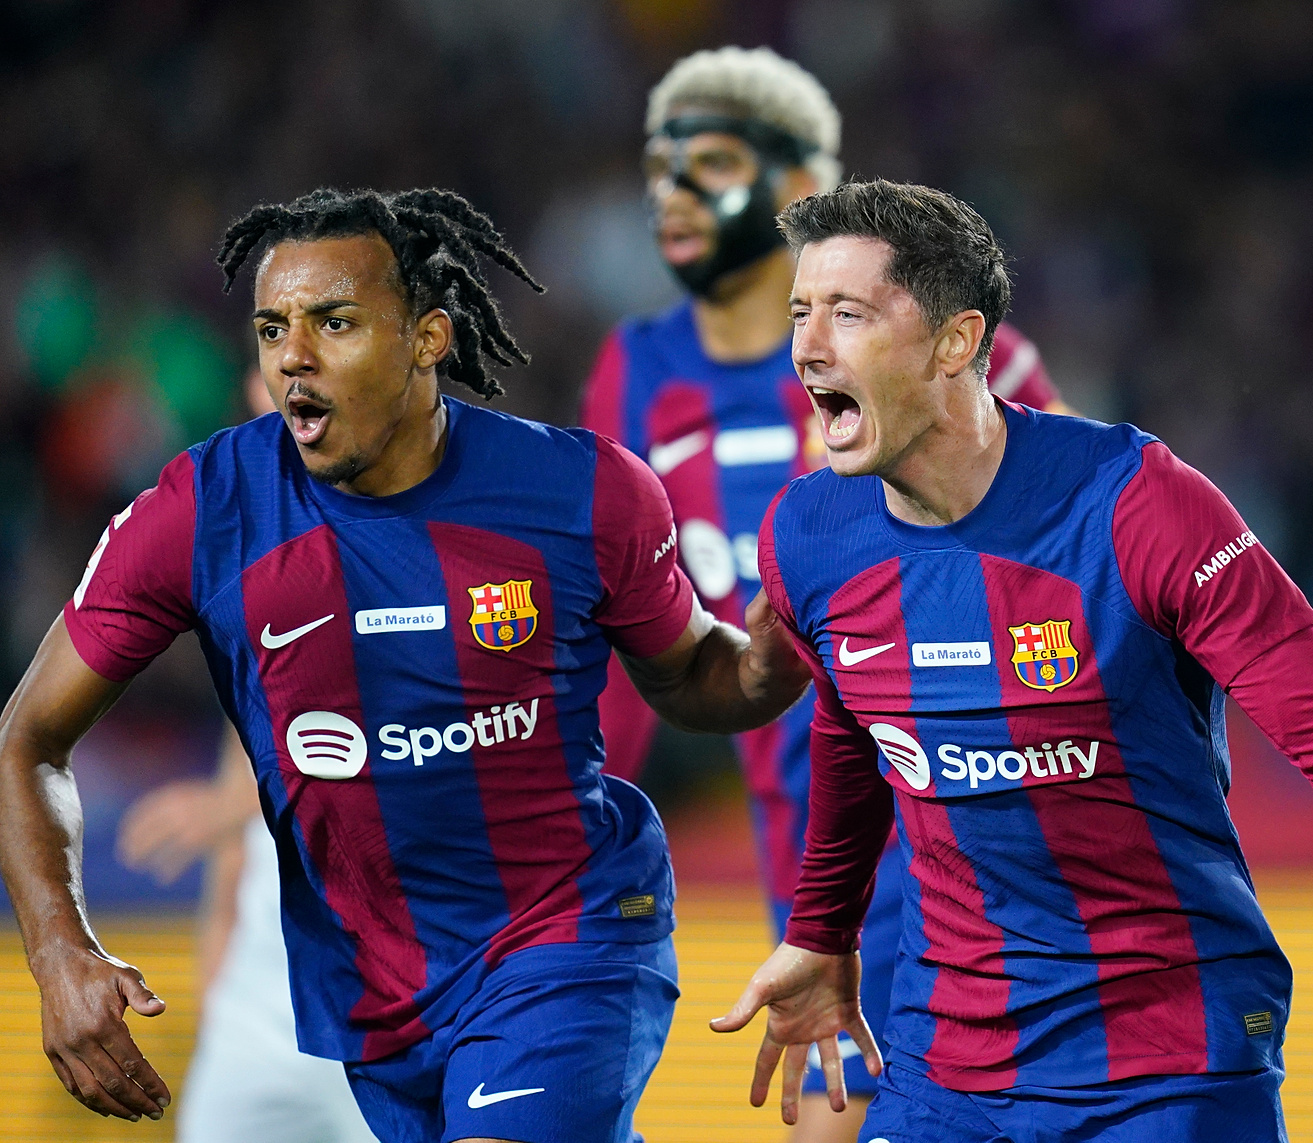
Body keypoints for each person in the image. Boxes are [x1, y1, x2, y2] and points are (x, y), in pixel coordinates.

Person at [712, 180, 1313, 1141]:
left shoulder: (1140, 505)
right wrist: (822, 933)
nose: (807, 347)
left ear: (956, 342)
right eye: (800, 313)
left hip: (1168, 1062)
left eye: (848, 313)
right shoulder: (807, 536)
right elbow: (849, 731)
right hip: (944, 1070)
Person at [0, 187, 808, 1143]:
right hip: (375, 994)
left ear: (429, 337)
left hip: (567, 940)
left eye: (334, 322)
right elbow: (28, 735)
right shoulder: (202, 512)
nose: (293, 355)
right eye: (272, 327)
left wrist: (784, 644)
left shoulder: (584, 492)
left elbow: (692, 676)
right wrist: (60, 955)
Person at [582, 48, 1067, 1140]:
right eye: (659, 167)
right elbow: (621, 614)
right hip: (814, 851)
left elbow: (1081, 562)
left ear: (800, 183)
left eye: (709, 163)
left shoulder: (943, 357)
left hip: (981, 833)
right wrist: (588, 799)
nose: (672, 193)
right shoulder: (638, 371)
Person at [120, 724, 379, 1143]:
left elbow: (404, 773)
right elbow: (232, 863)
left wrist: (230, 805)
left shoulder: (408, 665)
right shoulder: (245, 665)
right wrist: (215, 1007)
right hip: (251, 1017)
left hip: (374, 1011)